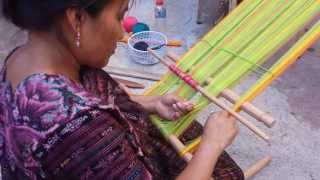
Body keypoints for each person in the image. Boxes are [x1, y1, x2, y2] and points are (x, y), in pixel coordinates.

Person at [0, 0, 244, 179]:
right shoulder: (80, 126)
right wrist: (213, 144)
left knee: (186, 128)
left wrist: (148, 103)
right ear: (76, 19)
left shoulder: (18, 60)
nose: (121, 33)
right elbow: (80, 124)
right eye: (119, 16)